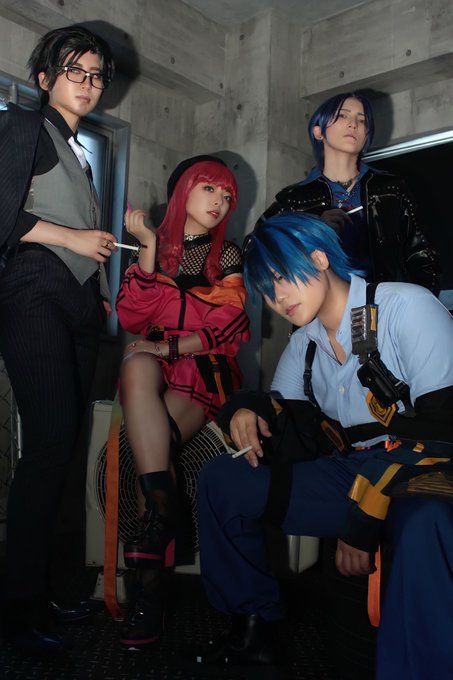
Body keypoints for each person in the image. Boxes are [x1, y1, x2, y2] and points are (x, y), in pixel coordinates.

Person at [194, 213, 453, 679]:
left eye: (281, 277)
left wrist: (364, 518)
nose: (277, 298)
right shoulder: (305, 344)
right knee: (225, 480)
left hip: (423, 473)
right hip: (352, 472)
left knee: (425, 524)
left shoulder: (407, 307)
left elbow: (444, 431)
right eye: (266, 291)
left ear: (318, 258)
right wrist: (244, 409)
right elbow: (282, 414)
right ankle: (253, 631)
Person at [0, 26, 116, 650]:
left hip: (76, 307)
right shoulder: (24, 126)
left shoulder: (78, 154)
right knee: (47, 448)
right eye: (76, 70)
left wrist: (98, 289)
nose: (89, 83)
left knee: (63, 451)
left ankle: (39, 592)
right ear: (45, 79)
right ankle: (19, 609)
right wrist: (73, 239)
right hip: (33, 294)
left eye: (96, 75)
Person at [115, 155, 250, 649]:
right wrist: (148, 249)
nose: (220, 202)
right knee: (135, 362)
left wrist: (168, 346)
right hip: (151, 366)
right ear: (183, 190)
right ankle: (162, 516)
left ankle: (148, 598)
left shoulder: (226, 254)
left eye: (228, 196)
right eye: (210, 188)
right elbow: (131, 317)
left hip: (201, 368)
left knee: (148, 460)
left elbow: (230, 326)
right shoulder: (152, 247)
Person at [261, 92, 440, 294]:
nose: (353, 124)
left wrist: (418, 304)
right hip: (321, 311)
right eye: (342, 115)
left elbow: (423, 256)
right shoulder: (294, 199)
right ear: (318, 131)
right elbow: (257, 250)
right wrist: (314, 232)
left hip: (384, 307)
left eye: (361, 120)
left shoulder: (392, 189)